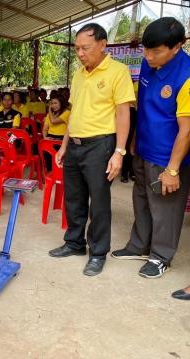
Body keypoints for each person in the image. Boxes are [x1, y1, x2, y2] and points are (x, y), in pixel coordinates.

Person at [48, 23, 135, 276]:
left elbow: (123, 113)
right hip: (75, 145)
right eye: (77, 49)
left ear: (103, 44)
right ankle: (74, 243)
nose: (80, 53)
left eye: (85, 48)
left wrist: (119, 152)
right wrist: (64, 145)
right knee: (73, 198)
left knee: (98, 201)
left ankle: (97, 253)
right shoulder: (78, 74)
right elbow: (74, 113)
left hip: (101, 145)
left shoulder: (118, 72)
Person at [111, 18, 190, 280]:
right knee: (142, 199)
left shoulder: (187, 75)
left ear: (178, 46)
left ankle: (161, 255)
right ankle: (139, 245)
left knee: (166, 207)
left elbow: (187, 129)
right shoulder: (147, 63)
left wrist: (173, 169)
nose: (148, 56)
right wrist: (135, 140)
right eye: (146, 49)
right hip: (144, 147)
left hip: (168, 156)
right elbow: (143, 106)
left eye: (156, 51)